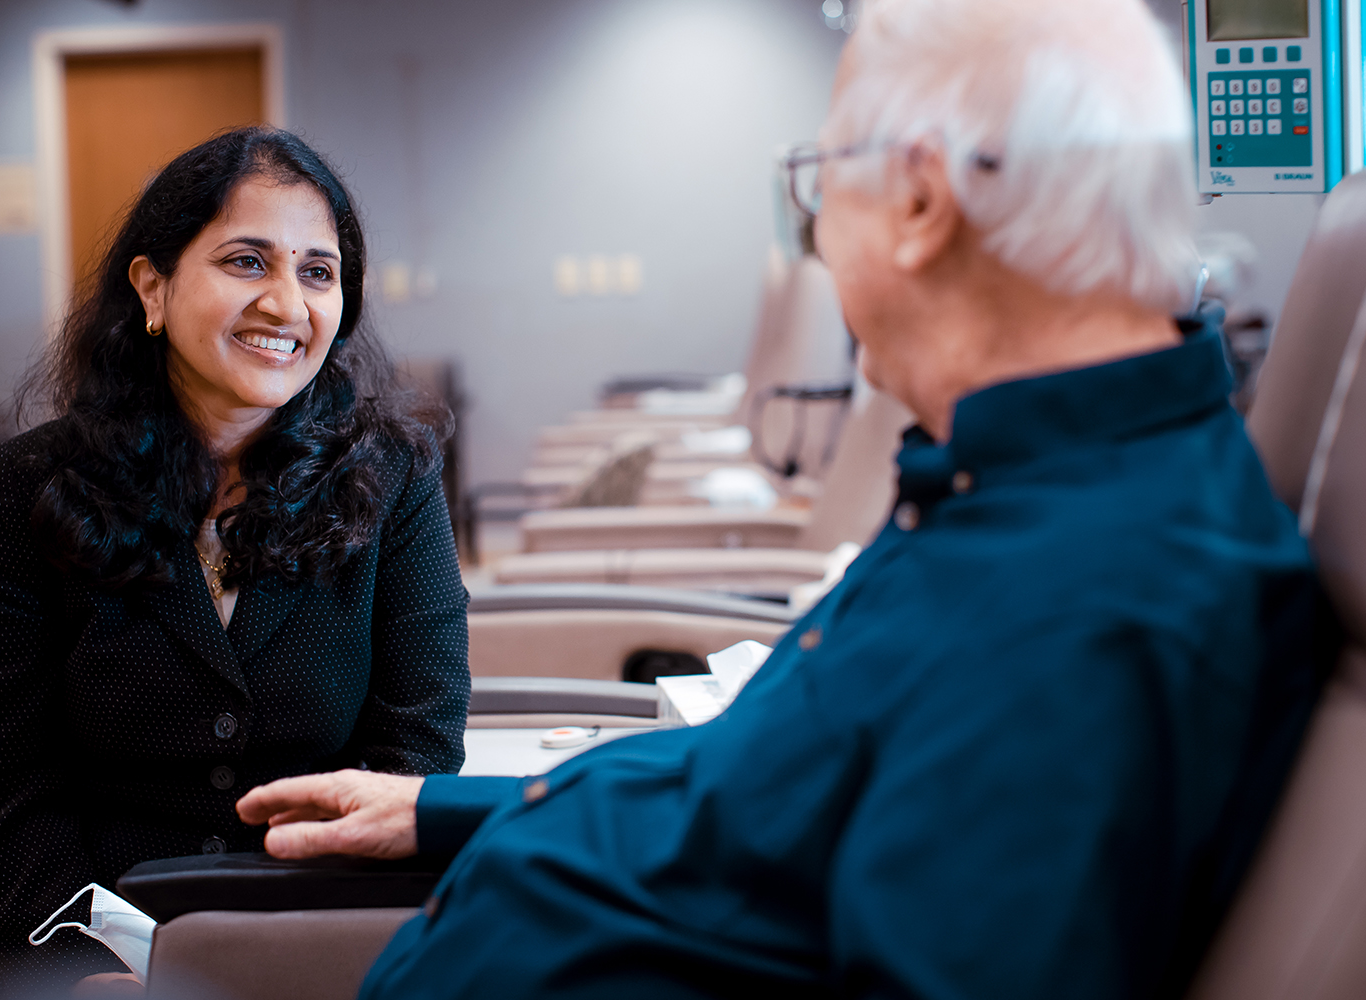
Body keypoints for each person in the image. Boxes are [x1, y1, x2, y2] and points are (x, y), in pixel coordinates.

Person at [237, 0, 1330, 996]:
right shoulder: (1023, 484)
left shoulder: (1094, 600)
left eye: (819, 179)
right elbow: (759, 783)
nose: (816, 229)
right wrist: (433, 808)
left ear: (916, 200)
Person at [0, 128, 470, 998]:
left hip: (326, 924)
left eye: (317, 272)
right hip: (83, 938)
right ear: (152, 286)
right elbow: (6, 772)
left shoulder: (392, 476)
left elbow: (415, 745)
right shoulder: (31, 484)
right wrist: (82, 960)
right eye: (245, 261)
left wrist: (296, 945)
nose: (286, 304)